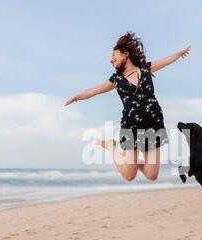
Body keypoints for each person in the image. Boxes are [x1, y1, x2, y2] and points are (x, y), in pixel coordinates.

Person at [65, 31, 190, 181]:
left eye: (114, 56)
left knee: (152, 175)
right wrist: (77, 97)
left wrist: (180, 53)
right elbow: (95, 90)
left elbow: (165, 60)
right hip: (131, 127)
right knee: (129, 175)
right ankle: (111, 146)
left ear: (125, 54)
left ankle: (131, 160)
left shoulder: (145, 68)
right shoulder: (116, 79)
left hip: (153, 124)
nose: (111, 60)